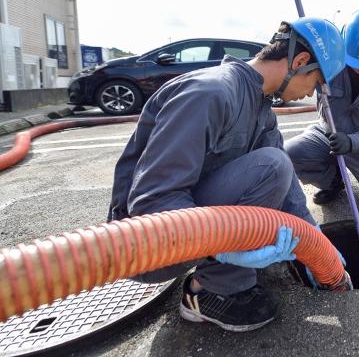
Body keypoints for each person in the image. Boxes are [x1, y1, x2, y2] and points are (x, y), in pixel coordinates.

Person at [107, 17, 345, 332]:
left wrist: (318, 246)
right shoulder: (211, 93)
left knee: (276, 167)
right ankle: (208, 293)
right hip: (145, 245)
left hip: (188, 229)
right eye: (315, 83)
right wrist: (227, 251)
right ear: (300, 62)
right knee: (273, 165)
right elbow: (152, 204)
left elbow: (289, 194)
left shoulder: (260, 110)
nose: (310, 94)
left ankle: (219, 272)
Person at [286, 9, 359, 212]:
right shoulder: (327, 64)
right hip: (328, 137)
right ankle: (333, 180)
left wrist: (353, 142)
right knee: (289, 153)